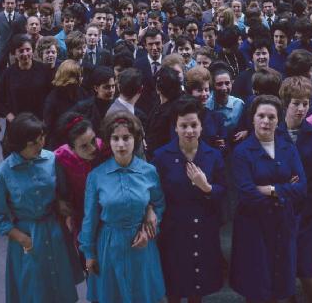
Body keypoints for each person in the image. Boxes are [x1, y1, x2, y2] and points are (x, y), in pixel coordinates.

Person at [0, 113, 84, 303]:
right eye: (34, 142)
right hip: (27, 236)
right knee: (34, 292)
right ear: (18, 144)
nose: (41, 144)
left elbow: (61, 193)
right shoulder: (2, 174)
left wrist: (62, 208)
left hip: (55, 232)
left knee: (60, 290)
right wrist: (23, 239)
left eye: (42, 137)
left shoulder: (51, 159)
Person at [79, 110, 166, 303]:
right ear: (108, 141)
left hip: (142, 245)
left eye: (126, 138)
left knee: (141, 295)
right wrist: (89, 253)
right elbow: (90, 217)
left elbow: (159, 203)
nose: (121, 144)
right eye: (115, 138)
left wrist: (150, 227)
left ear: (135, 139)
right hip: (109, 246)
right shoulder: (97, 176)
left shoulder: (149, 171)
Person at [230, 95, 307, 303]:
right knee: (256, 284)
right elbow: (246, 193)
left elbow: (301, 188)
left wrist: (270, 189)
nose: (266, 121)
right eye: (261, 116)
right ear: (253, 119)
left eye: (271, 117)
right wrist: (284, 190)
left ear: (278, 120)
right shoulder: (241, 152)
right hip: (253, 226)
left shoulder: (288, 148)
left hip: (283, 223)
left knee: (278, 283)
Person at [153, 96, 226, 302]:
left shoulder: (213, 155)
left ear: (201, 126)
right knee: (174, 285)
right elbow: (155, 194)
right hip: (174, 230)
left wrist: (206, 187)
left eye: (194, 125)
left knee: (198, 285)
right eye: (183, 126)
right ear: (175, 127)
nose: (189, 131)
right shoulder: (161, 156)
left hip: (204, 226)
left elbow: (223, 191)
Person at [279, 77, 312, 303]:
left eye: (305, 103)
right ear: (286, 103)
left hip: (308, 211)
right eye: (296, 103)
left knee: (306, 266)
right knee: (284, 265)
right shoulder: (273, 132)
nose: (301, 109)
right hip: (280, 209)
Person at [54, 112, 111, 248]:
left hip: (108, 216)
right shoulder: (60, 158)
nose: (93, 148)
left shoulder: (106, 149)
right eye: (84, 146)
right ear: (72, 148)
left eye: (93, 140)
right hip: (80, 217)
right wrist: (59, 201)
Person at [43, 59, 86, 149]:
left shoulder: (82, 92)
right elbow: (49, 128)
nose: (82, 78)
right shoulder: (52, 99)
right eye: (79, 75)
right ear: (73, 79)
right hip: (60, 145)